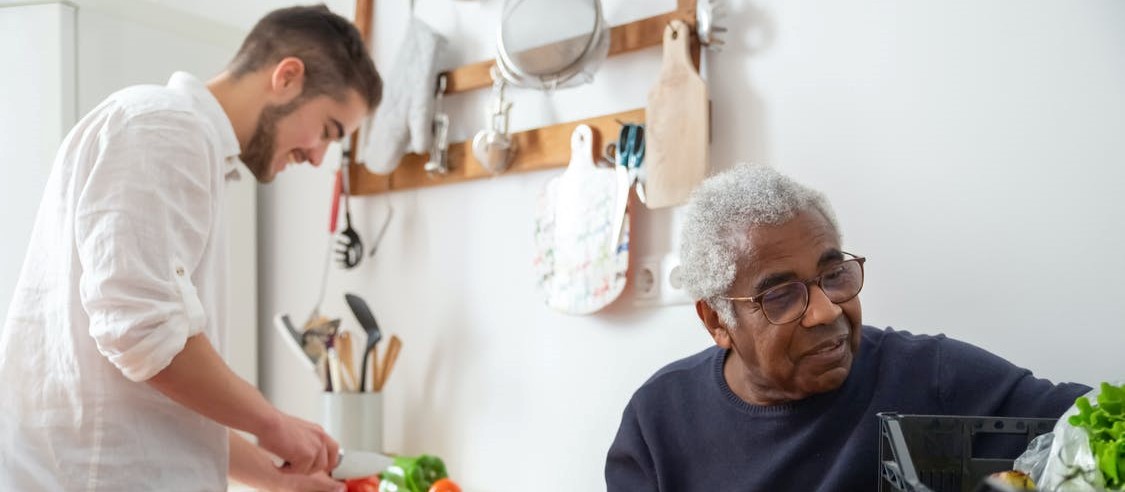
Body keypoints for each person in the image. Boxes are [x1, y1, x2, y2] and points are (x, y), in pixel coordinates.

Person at [0, 5, 381, 491]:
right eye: (327, 130)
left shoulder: (186, 143)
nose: (317, 156)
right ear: (287, 77)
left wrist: (278, 480)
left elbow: (159, 392)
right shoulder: (166, 129)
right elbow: (142, 334)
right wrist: (271, 421)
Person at [604, 163, 1090, 491]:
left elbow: (1093, 421)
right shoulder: (658, 422)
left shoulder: (928, 376)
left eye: (833, 276)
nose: (826, 312)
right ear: (717, 320)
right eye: (781, 294)